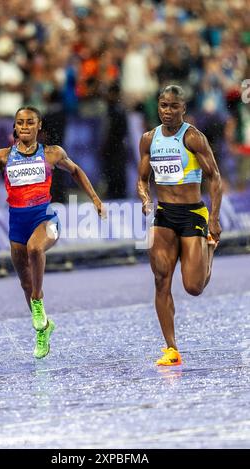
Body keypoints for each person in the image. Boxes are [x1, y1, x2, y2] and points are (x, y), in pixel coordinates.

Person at [0, 106, 105, 359]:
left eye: (30, 122)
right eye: (20, 123)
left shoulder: (52, 154)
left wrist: (95, 200)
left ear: (38, 126)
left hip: (46, 219)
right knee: (24, 283)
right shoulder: (2, 156)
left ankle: (39, 300)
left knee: (35, 248)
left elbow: (75, 171)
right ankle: (43, 330)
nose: (24, 127)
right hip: (17, 224)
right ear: (15, 127)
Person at [137, 85, 222, 366]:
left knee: (193, 287)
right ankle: (171, 348)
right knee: (161, 280)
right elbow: (142, 177)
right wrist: (145, 195)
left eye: (174, 106)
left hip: (193, 214)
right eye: (163, 105)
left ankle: (210, 247)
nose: (167, 112)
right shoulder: (149, 139)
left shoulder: (193, 138)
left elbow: (215, 178)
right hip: (164, 215)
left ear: (184, 109)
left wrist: (214, 218)